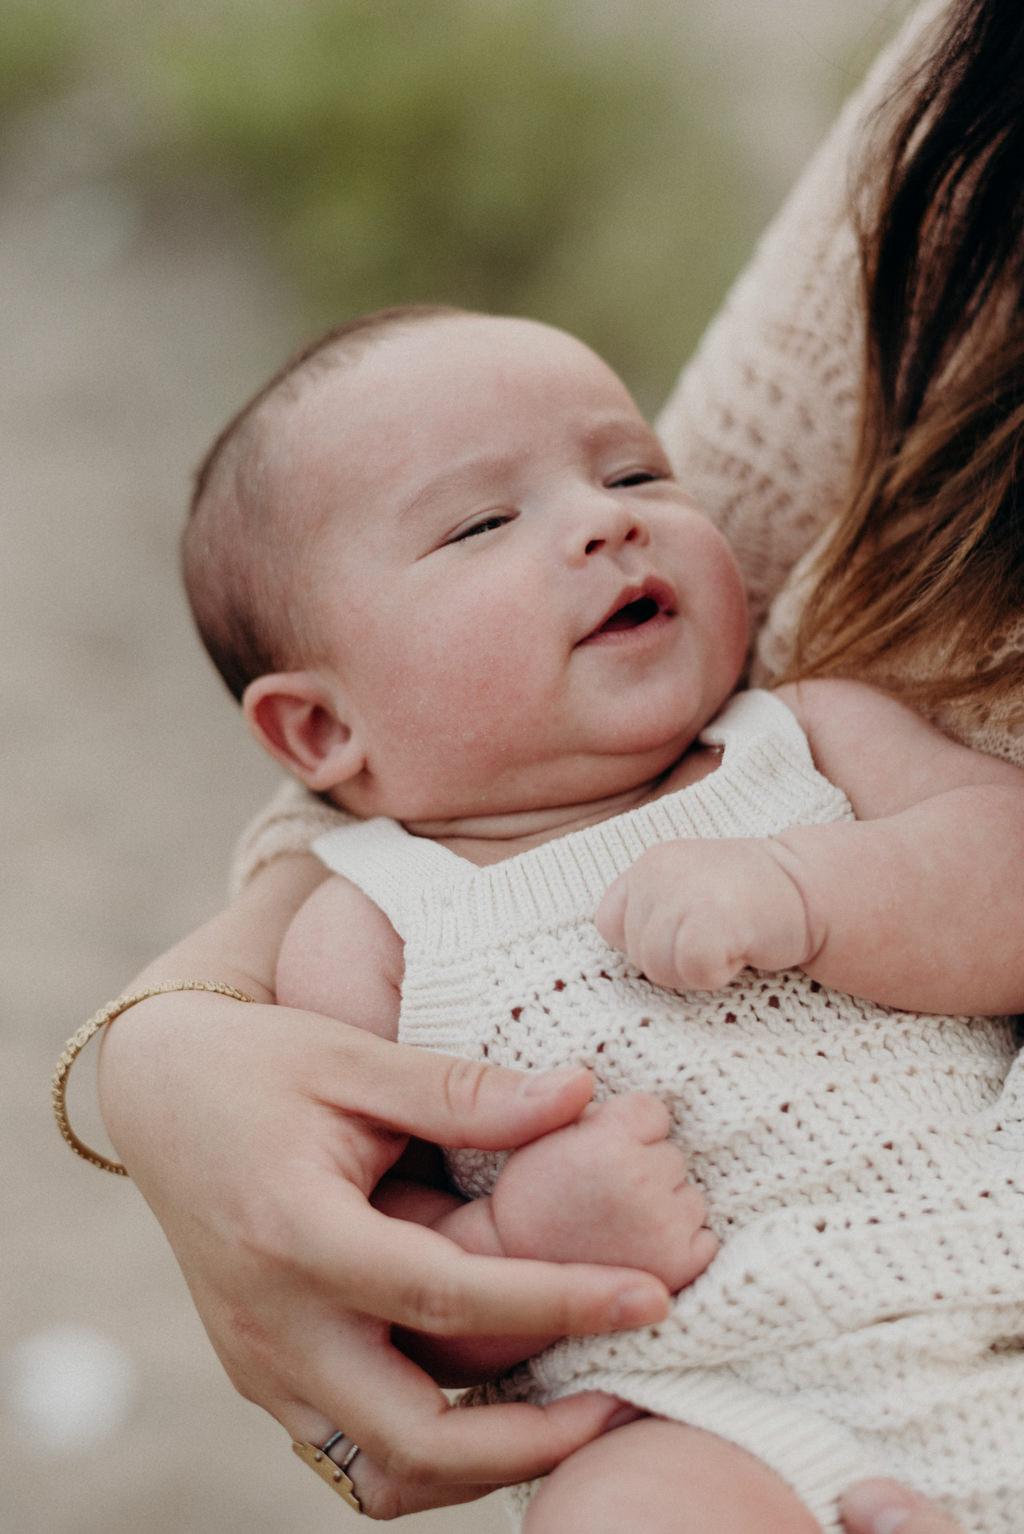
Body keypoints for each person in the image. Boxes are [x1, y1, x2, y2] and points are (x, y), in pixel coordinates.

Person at [89, 0, 1019, 1526]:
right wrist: (527, 1232)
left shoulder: (815, 736)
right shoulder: (367, 929)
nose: (606, 520)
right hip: (723, 1406)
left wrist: (812, 888)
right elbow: (380, 1276)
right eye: (477, 525)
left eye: (635, 468)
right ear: (323, 733)